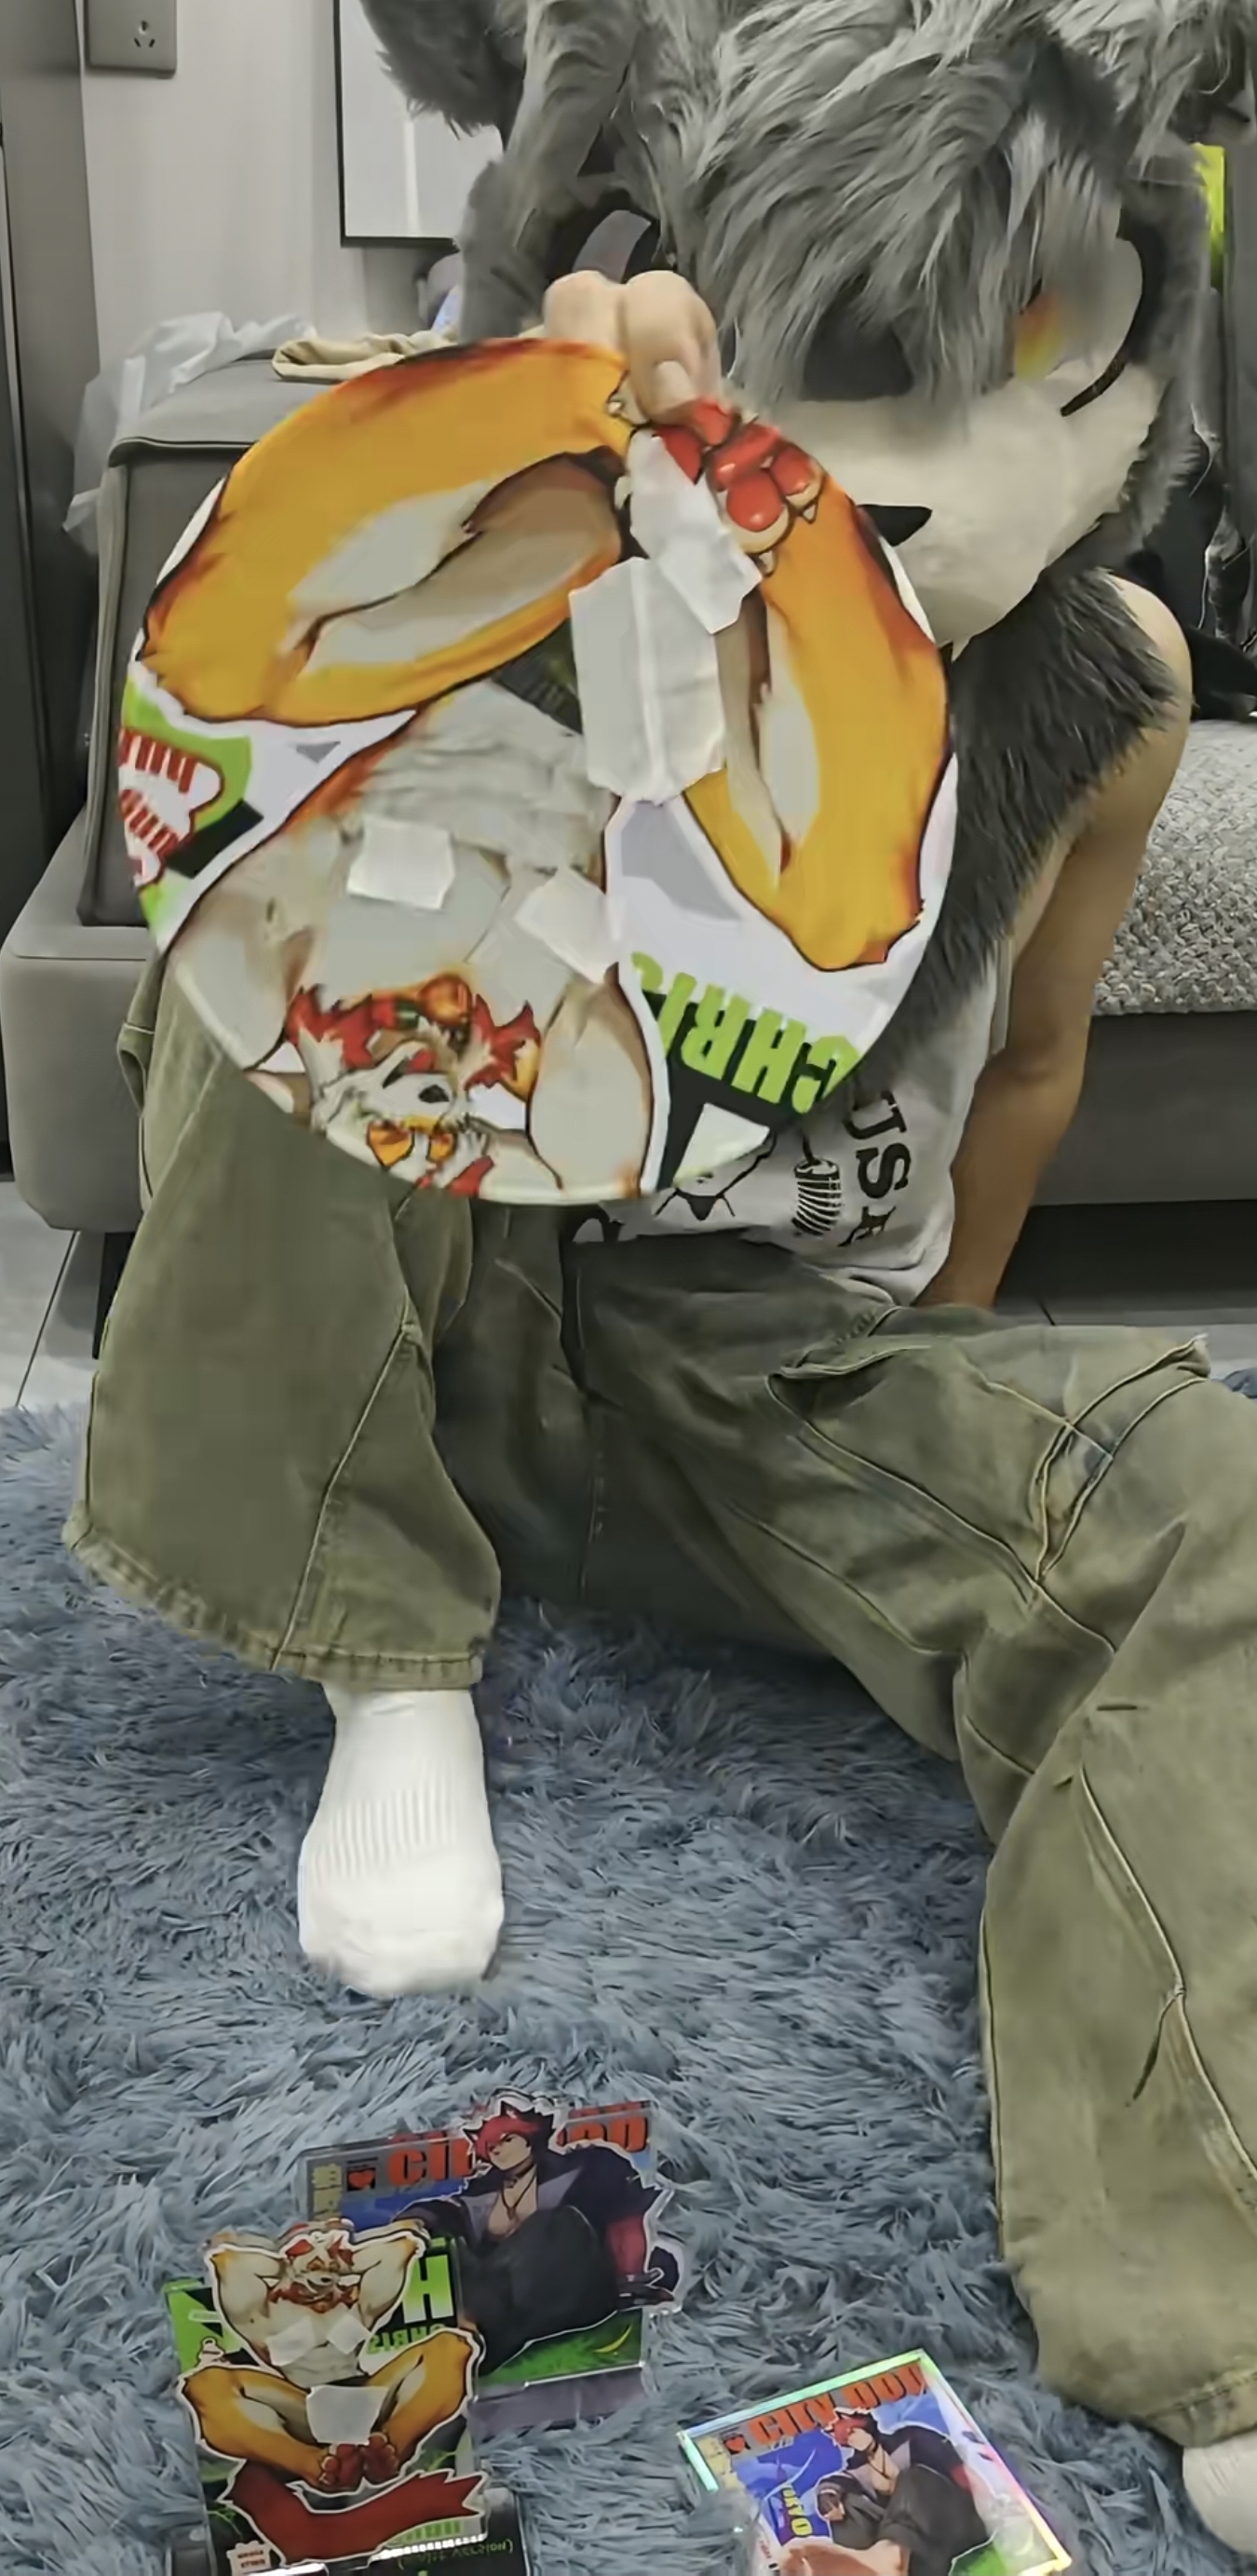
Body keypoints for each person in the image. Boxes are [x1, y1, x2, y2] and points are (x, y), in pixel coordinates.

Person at [68, 272, 1257, 2549]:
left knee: (1205, 1487)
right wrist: (556, 442)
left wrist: (939, 1414)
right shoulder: (609, 512)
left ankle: (1224, 2283)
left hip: (766, 1344)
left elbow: (1032, 1060)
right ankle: (378, 1639)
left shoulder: (1106, 678)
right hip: (455, 1279)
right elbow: (286, 751)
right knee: (278, 961)